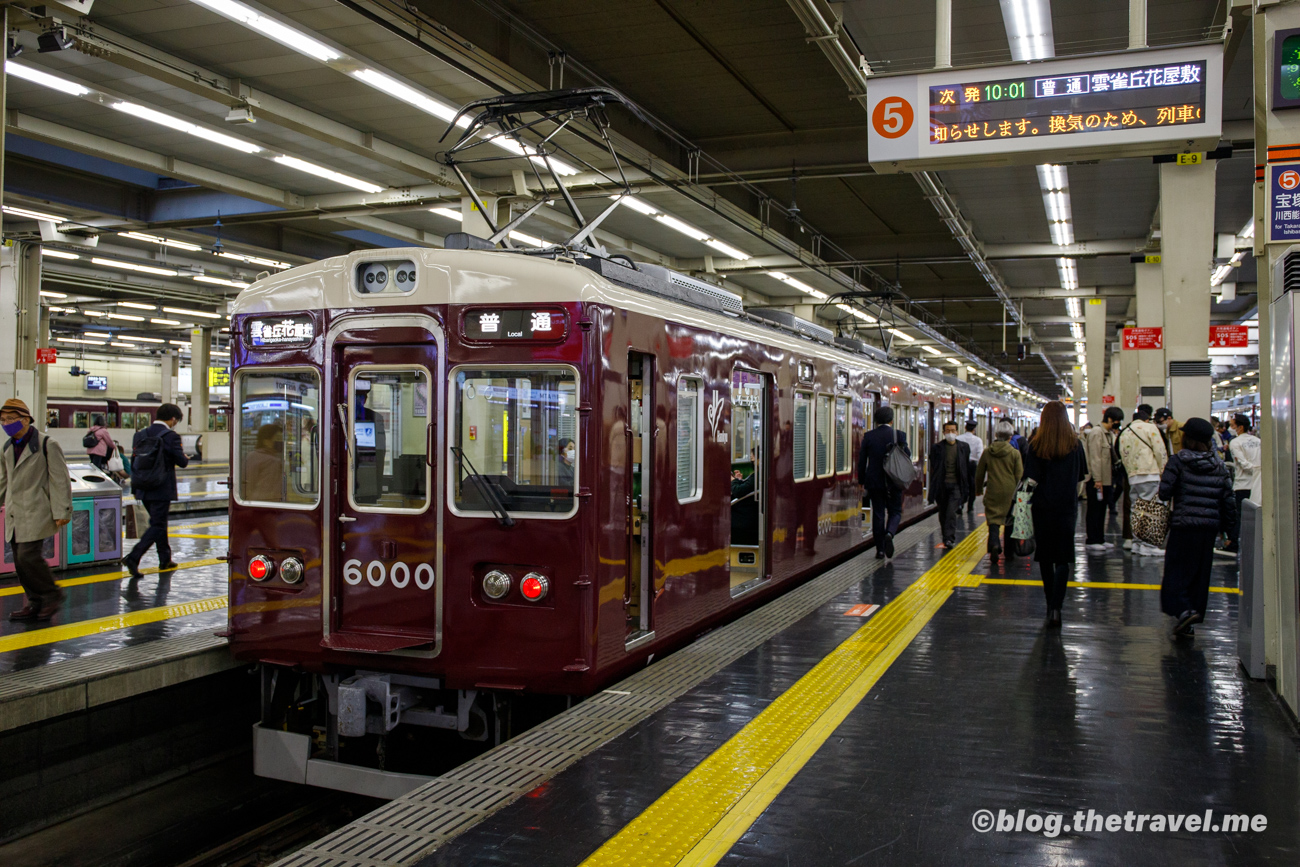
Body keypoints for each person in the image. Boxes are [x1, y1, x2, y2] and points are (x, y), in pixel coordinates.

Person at [1159, 417, 1236, 637]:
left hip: (1183, 526)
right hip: (1208, 530)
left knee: (1176, 571)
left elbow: (1164, 493)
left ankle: (1184, 611)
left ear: (1187, 438)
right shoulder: (1219, 466)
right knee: (1199, 575)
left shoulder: (1178, 461)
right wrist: (1231, 531)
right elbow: (1228, 501)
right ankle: (1191, 620)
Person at [0, 398, 72, 621]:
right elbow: (4, 480)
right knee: (20, 562)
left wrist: (63, 511)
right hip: (15, 512)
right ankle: (34, 602)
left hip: (37, 510)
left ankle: (52, 595)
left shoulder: (46, 444)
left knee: (28, 557)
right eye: (2, 420)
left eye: (10, 419)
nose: (5, 424)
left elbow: (60, 479)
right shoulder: (7, 447)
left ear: (24, 420)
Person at [1024, 401, 1088, 629]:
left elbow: (1030, 480)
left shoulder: (1036, 445)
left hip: (1042, 508)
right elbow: (1082, 478)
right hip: (1066, 509)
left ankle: (1049, 603)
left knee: (1045, 557)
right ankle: (1056, 609)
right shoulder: (1075, 445)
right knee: (1063, 558)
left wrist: (1019, 503)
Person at [122, 403, 189, 579]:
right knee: (157, 525)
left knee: (159, 523)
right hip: (161, 487)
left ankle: (165, 558)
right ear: (173, 419)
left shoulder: (140, 435)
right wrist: (185, 457)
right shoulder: (171, 436)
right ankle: (133, 557)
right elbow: (181, 462)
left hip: (143, 487)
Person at [856, 405, 908, 559]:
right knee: (895, 511)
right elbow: (907, 456)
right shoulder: (899, 435)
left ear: (876, 420)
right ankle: (890, 534)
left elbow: (862, 461)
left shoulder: (869, 436)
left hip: (874, 482)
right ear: (892, 420)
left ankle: (879, 550)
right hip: (894, 481)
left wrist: (861, 481)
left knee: (878, 514)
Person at [1118, 404, 1169, 556]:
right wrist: (1163, 470)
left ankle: (1137, 543)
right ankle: (1149, 545)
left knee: (1137, 510)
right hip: (1150, 473)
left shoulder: (1125, 432)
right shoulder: (1150, 428)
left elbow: (1122, 454)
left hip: (1133, 477)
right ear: (1147, 419)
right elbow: (1160, 451)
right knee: (1152, 509)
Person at [974, 420, 1022, 563]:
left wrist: (978, 490)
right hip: (1010, 492)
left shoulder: (988, 452)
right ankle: (1009, 553)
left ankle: (994, 544)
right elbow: (1019, 476)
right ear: (1010, 436)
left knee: (993, 521)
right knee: (1009, 521)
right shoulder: (1015, 453)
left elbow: (979, 473)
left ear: (996, 434)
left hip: (993, 490)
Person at [1082, 407, 1123, 552]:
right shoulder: (1097, 433)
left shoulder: (1108, 434)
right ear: (1109, 419)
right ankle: (1092, 539)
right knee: (1094, 509)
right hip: (1096, 480)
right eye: (1116, 422)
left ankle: (1100, 538)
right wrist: (1097, 479)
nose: (1117, 425)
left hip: (1106, 479)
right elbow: (1095, 458)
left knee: (1102, 510)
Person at [1220, 413, 1262, 555]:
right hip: (1258, 484)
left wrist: (1253, 469)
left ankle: (1234, 544)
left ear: (1240, 427)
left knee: (1240, 515)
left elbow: (1241, 462)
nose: (1230, 428)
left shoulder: (1235, 442)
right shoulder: (1257, 440)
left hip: (1243, 484)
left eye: (1232, 426)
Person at [927, 420, 971, 549]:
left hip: (956, 485)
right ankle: (945, 535)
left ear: (957, 432)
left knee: (951, 512)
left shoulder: (964, 447)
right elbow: (934, 465)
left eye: (953, 431)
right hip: (942, 486)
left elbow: (965, 467)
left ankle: (949, 538)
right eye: (947, 431)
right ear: (943, 432)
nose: (950, 433)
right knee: (943, 512)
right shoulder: (937, 448)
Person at [243, 423, 286, 502]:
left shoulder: (251, 456)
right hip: (267, 505)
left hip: (251, 501)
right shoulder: (273, 462)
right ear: (266, 441)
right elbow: (273, 491)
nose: (281, 441)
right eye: (278, 438)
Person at [957, 419, 984, 515]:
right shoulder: (978, 440)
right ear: (974, 429)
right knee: (972, 486)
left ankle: (960, 504)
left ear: (965, 428)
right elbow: (980, 455)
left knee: (961, 484)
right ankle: (970, 506)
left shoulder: (958, 438)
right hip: (972, 466)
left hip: (961, 465)